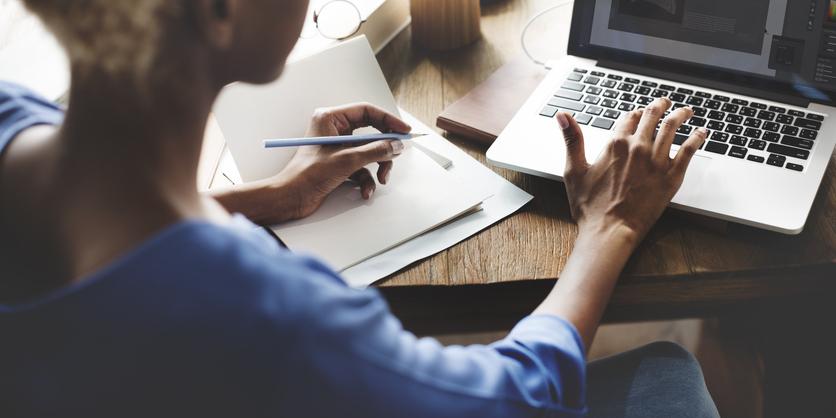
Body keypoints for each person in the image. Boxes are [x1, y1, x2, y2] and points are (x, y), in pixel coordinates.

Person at [0, 1, 719, 417]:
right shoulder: (270, 318)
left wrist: (266, 197)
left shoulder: (12, 121)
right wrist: (610, 227)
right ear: (220, 13)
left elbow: (104, 229)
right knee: (666, 376)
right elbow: (517, 398)